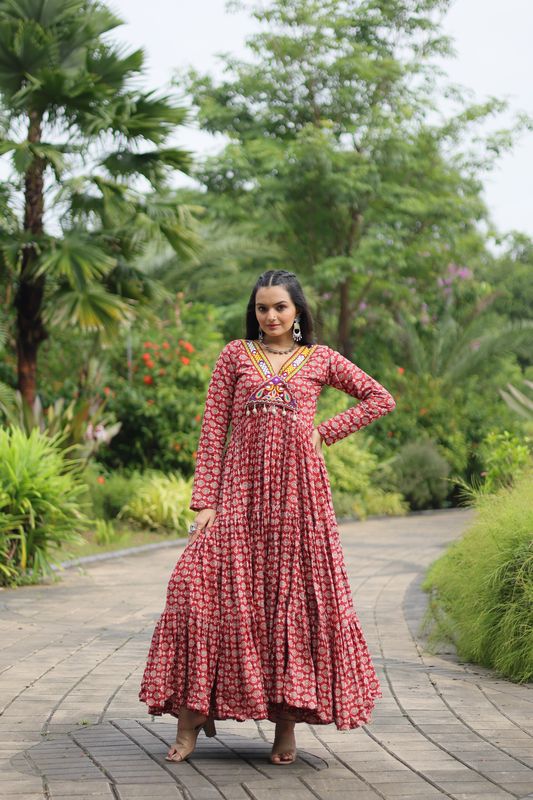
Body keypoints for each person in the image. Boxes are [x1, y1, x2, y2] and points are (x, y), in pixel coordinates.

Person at [139, 269, 396, 765]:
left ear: (297, 311)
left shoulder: (320, 359)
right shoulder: (235, 355)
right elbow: (213, 428)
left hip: (299, 499)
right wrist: (205, 501)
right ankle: (191, 719)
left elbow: (379, 398)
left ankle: (285, 730)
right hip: (239, 494)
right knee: (193, 588)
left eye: (280, 307)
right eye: (262, 308)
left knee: (288, 602)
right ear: (253, 312)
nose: (271, 315)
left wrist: (325, 432)